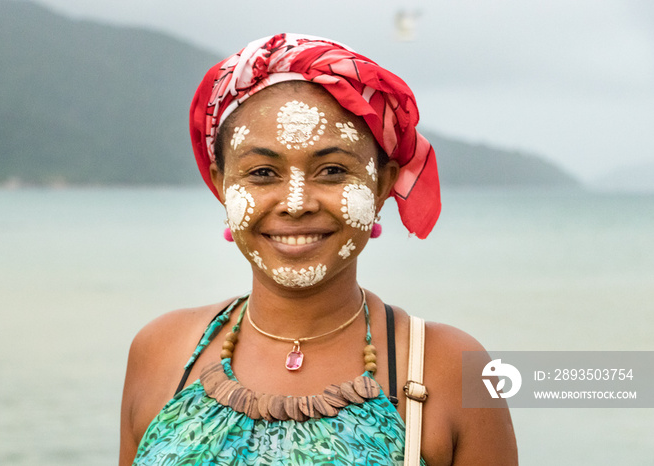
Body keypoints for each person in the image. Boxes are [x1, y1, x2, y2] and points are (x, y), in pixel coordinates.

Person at [119, 33, 518, 465]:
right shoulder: (162, 352)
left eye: (331, 170)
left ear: (383, 184)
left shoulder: (452, 369)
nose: (296, 203)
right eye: (263, 172)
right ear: (221, 184)